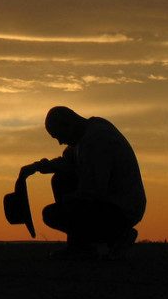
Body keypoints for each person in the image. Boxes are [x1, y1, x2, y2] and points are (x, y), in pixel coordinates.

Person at [19, 106, 146, 259]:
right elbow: (68, 162)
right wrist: (37, 167)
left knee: (53, 214)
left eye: (59, 136)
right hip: (113, 203)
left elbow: (94, 189)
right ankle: (81, 245)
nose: (60, 142)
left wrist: (70, 200)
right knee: (61, 180)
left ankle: (117, 235)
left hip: (121, 208)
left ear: (68, 125)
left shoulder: (97, 140)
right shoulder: (85, 136)